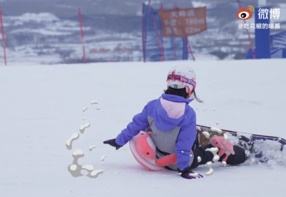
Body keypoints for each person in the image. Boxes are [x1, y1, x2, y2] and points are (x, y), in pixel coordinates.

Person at [103, 65, 253, 179]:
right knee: (213, 153)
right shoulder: (188, 114)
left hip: (159, 156)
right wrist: (184, 169)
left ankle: (203, 139)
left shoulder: (152, 105)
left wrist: (118, 141)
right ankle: (240, 152)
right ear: (189, 89)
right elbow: (183, 146)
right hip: (180, 162)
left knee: (160, 128)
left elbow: (135, 126)